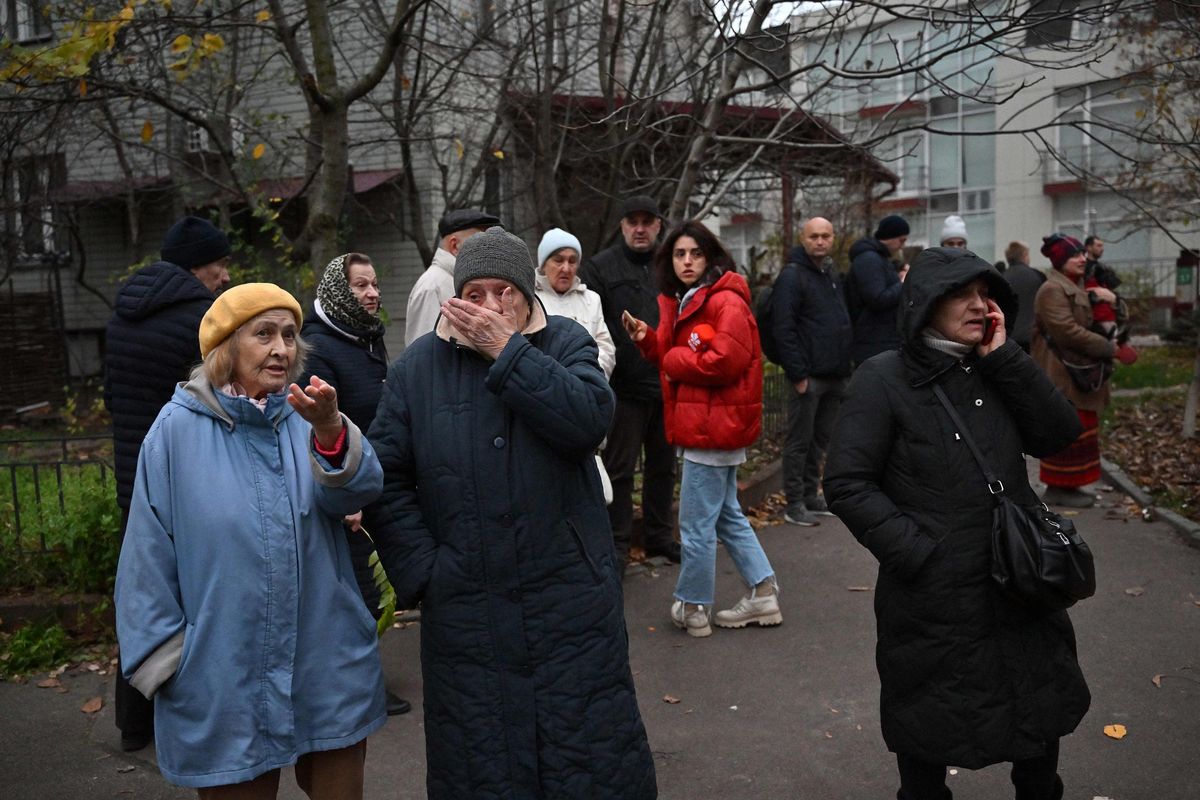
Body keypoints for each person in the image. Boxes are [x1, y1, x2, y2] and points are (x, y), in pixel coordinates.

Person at [365, 227, 656, 799]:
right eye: (475, 293)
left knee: (589, 757)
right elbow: (385, 477)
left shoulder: (567, 342)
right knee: (483, 763)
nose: (492, 306)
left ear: (528, 295)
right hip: (466, 609)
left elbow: (588, 422)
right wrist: (425, 571)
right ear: (455, 298)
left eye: (505, 292)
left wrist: (508, 351)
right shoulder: (417, 369)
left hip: (569, 601)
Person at [824, 247, 1090, 800]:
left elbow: (1060, 433)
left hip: (1021, 582)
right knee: (927, 730)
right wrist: (919, 553)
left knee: (1037, 721)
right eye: (961, 295)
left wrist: (1006, 358)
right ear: (924, 304)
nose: (979, 305)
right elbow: (847, 483)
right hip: (932, 599)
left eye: (985, 293)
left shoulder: (999, 363)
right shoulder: (883, 378)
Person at [114, 284, 387, 796]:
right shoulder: (173, 433)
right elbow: (146, 559)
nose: (281, 349)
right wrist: (170, 661)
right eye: (264, 335)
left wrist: (330, 430)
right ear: (226, 347)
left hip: (325, 660)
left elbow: (361, 490)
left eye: (289, 335)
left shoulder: (308, 414)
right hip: (221, 673)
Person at [103, 214, 231, 752]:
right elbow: (215, 400)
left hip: (134, 471)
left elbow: (114, 398)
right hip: (183, 474)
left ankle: (132, 723)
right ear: (197, 266)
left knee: (141, 592)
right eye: (219, 263)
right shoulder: (198, 321)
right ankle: (189, 714)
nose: (225, 275)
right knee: (190, 596)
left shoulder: (122, 315)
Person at [622, 220, 780, 638]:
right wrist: (647, 339)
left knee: (694, 524)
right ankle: (762, 590)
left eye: (695, 253)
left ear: (710, 256)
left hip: (713, 429)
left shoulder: (724, 301)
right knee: (727, 515)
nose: (687, 261)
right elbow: (678, 354)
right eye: (679, 254)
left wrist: (670, 358)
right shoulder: (689, 298)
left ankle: (694, 607)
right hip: (710, 426)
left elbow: (722, 361)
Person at [299, 253, 410, 717]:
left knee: (374, 589)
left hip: (369, 482)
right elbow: (311, 427)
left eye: (375, 284)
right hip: (342, 491)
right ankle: (359, 688)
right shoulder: (320, 348)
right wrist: (345, 489)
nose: (373, 294)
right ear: (340, 292)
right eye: (361, 286)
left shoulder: (364, 338)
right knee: (359, 592)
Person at [579, 195, 680, 566]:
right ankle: (619, 544)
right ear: (622, 226)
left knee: (663, 467)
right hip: (623, 389)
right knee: (620, 470)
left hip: (668, 383)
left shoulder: (670, 266)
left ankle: (658, 537)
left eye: (647, 222)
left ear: (658, 225)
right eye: (632, 222)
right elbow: (597, 324)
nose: (640, 229)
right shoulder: (600, 268)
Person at [1032, 234, 1131, 508]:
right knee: (1066, 429)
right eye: (1074, 255)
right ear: (1060, 260)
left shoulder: (1084, 286)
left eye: (1082, 254)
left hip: (1079, 372)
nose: (1082, 258)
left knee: (1081, 431)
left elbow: (1113, 317)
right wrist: (1108, 348)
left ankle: (1071, 486)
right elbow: (1066, 331)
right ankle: (1058, 488)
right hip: (1062, 373)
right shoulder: (1052, 289)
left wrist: (1112, 299)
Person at [769, 216, 851, 527]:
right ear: (803, 239)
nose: (820, 241)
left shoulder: (829, 272)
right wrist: (798, 372)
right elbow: (784, 327)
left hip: (833, 373)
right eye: (814, 236)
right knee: (799, 441)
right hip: (809, 376)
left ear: (832, 238)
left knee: (820, 440)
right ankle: (793, 502)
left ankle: (809, 493)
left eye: (825, 236)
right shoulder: (793, 276)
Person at [404, 208, 501, 346]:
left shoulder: (458, 281)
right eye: (480, 243)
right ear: (454, 245)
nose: (487, 250)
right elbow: (423, 355)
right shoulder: (431, 287)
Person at [535, 228, 616, 378]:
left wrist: (589, 377)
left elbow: (605, 348)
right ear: (543, 264)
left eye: (572, 261)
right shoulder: (528, 298)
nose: (566, 268)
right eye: (558, 260)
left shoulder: (592, 300)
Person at [845, 214, 910, 366]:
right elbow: (877, 298)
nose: (902, 245)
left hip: (879, 341)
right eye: (901, 240)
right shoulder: (869, 259)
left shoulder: (877, 259)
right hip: (873, 342)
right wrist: (903, 283)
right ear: (890, 237)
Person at [1001, 240, 1046, 353]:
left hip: (1008, 339)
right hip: (1033, 337)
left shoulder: (1001, 278)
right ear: (1025, 254)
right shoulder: (1037, 276)